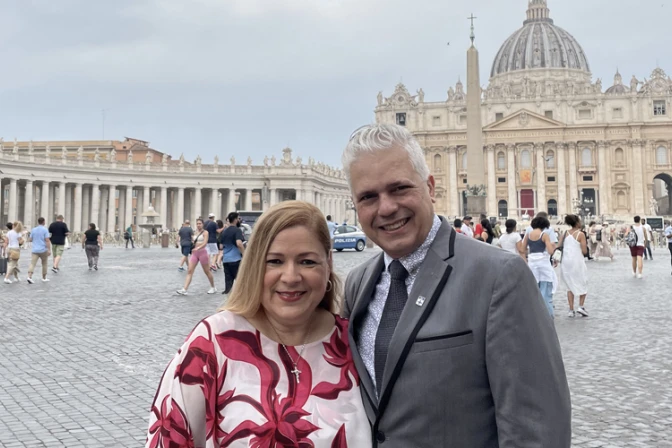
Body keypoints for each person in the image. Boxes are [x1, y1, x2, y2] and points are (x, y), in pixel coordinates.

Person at [341, 123, 570, 446]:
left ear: (430, 187)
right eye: (368, 197)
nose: (387, 207)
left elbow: (536, 427)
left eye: (399, 189)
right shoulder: (358, 283)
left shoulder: (500, 277)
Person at [147, 201, 371, 447]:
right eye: (274, 261)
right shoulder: (211, 345)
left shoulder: (356, 343)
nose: (291, 277)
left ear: (328, 264)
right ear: (255, 264)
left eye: (307, 262)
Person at [522, 215, 557, 317]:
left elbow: (522, 249)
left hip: (532, 262)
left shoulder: (528, 235)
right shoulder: (544, 235)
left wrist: (525, 259)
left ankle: (534, 313)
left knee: (534, 288)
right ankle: (547, 314)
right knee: (546, 290)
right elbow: (550, 251)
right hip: (543, 263)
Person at [176, 218, 217, 295]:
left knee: (207, 271)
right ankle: (184, 289)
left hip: (202, 253)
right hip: (195, 253)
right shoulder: (195, 232)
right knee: (190, 271)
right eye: (197, 223)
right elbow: (193, 240)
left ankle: (213, 287)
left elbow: (205, 243)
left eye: (200, 223)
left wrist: (198, 247)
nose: (198, 225)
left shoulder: (205, 232)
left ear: (203, 224)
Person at [559, 215, 589, 317]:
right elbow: (584, 251)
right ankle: (581, 306)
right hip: (577, 261)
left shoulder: (565, 234)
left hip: (566, 262)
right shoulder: (580, 234)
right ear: (577, 223)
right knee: (583, 282)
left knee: (569, 286)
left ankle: (571, 310)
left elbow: (559, 246)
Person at [221, 212, 246, 295]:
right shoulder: (237, 230)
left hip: (225, 259)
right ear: (235, 220)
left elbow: (221, 246)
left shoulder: (224, 231)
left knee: (228, 281)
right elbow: (239, 243)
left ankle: (228, 296)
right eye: (238, 218)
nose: (239, 220)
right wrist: (244, 253)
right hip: (235, 259)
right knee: (240, 280)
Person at [27, 217, 51, 284]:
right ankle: (44, 277)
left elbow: (30, 239)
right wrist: (49, 249)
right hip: (43, 249)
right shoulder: (45, 230)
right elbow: (47, 240)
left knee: (32, 263)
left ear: (38, 222)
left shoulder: (33, 229)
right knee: (44, 263)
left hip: (35, 249)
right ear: (43, 222)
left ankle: (29, 276)